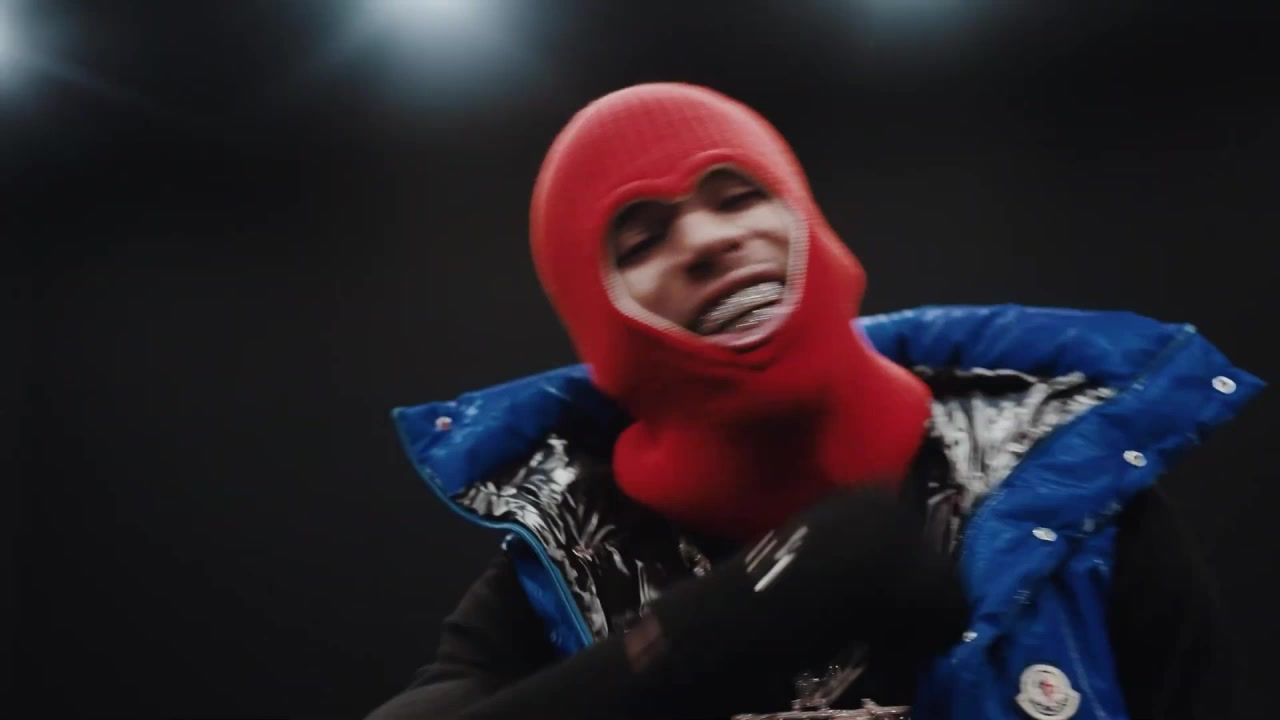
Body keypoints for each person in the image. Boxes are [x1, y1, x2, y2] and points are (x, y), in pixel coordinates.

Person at [367, 83, 1262, 720]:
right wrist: (745, 610)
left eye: (738, 194)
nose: (709, 239)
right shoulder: (563, 562)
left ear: (809, 223)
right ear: (596, 323)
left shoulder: (1074, 490)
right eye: (640, 240)